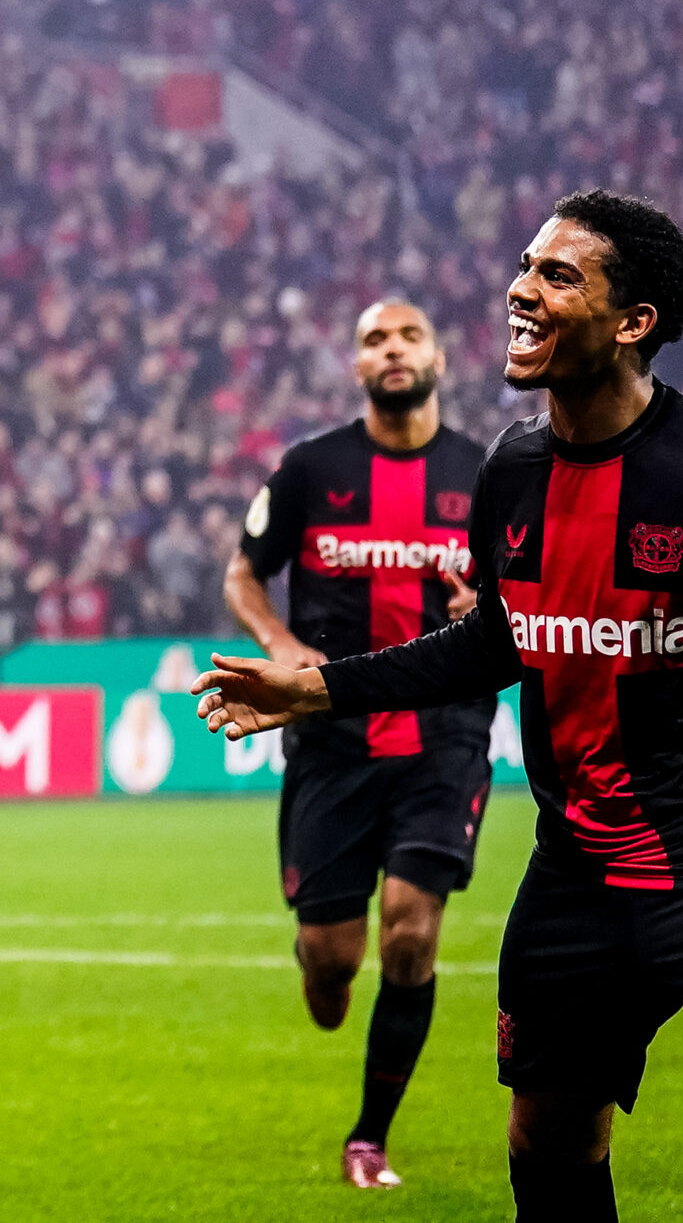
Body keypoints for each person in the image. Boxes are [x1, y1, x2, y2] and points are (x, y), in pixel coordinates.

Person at [195, 191, 683, 1223]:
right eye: (523, 267)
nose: (520, 290)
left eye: (558, 276)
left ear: (633, 322)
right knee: (546, 1139)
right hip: (576, 873)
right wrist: (317, 686)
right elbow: (497, 640)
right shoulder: (510, 471)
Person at [222, 299, 488, 1189]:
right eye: (375, 339)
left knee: (411, 934)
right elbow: (243, 574)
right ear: (357, 365)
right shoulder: (311, 467)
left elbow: (518, 593)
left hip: (443, 738)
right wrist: (278, 644)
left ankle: (370, 1135)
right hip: (332, 741)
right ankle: (319, 957)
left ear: (439, 354)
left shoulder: (485, 475)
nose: (393, 349)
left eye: (408, 335)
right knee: (333, 972)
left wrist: (483, 614)